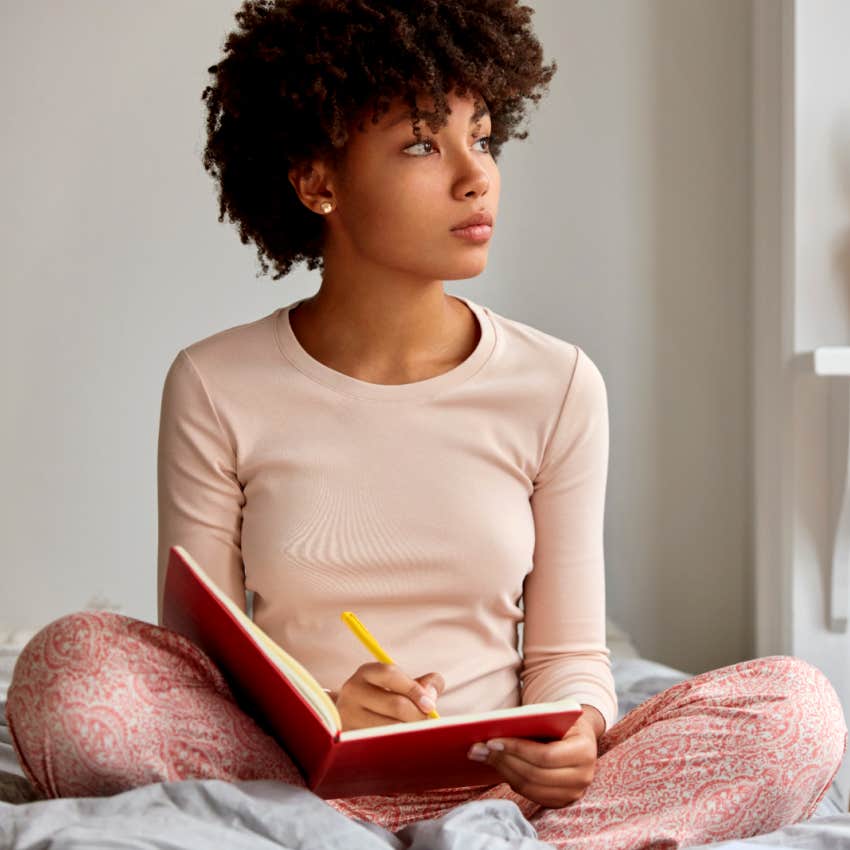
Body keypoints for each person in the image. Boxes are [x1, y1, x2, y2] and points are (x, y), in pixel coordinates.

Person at [7, 1, 847, 848]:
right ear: (316, 182)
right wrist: (325, 711)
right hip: (293, 776)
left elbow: (568, 657)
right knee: (68, 671)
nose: (474, 174)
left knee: (798, 711)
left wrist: (582, 733)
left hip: (507, 790)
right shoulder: (214, 383)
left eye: (481, 137)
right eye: (421, 143)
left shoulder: (557, 384)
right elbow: (204, 667)